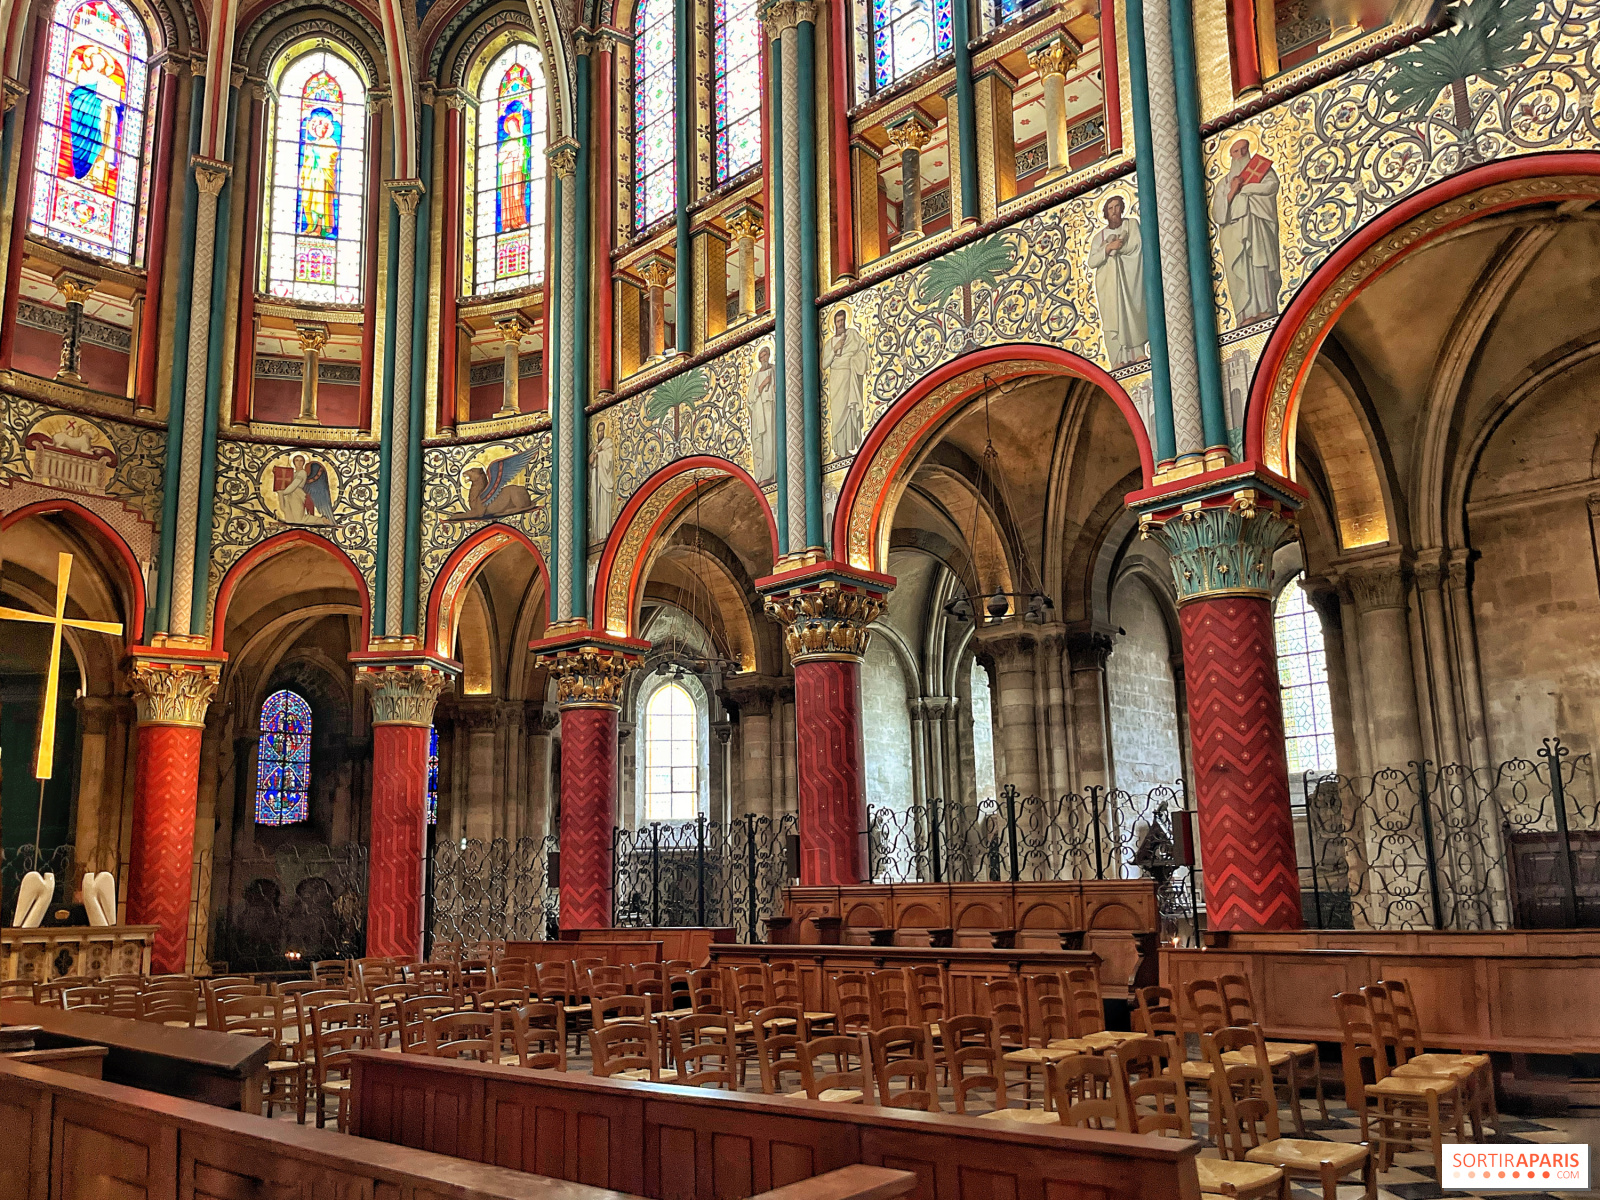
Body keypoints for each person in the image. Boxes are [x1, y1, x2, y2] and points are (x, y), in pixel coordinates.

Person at [1211, 139, 1283, 326]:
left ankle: (1266, 309)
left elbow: (1271, 186)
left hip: (1257, 226)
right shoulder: (1224, 183)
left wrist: (1246, 189)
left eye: (1244, 149)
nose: (1241, 154)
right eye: (1236, 151)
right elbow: (1218, 213)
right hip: (1233, 232)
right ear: (1231, 155)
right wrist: (1233, 190)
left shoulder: (1262, 171)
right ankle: (1245, 315)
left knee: (1260, 263)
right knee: (1241, 268)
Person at [1086, 195, 1149, 369]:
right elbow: (1092, 261)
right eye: (1110, 208)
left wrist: (1120, 247)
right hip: (1108, 285)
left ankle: (1138, 352)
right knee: (1112, 318)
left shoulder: (1131, 225)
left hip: (1130, 278)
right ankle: (1116, 358)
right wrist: (1108, 248)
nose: (1114, 211)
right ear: (1105, 213)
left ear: (1122, 208)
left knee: (1131, 313)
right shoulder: (1099, 237)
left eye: (1117, 207)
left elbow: (1137, 246)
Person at [821, 310, 869, 460]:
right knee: (837, 414)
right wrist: (835, 349)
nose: (840, 323)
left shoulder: (852, 335)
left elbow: (864, 349)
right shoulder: (830, 343)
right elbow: (824, 364)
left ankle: (847, 449)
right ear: (834, 323)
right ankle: (839, 451)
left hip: (849, 376)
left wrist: (854, 360)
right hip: (836, 379)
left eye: (842, 320)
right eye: (838, 321)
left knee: (849, 411)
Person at [746, 345, 776, 484]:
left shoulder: (775, 369)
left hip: (773, 409)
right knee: (763, 443)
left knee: (772, 441)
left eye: (766, 355)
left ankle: (772, 474)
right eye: (761, 356)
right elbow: (750, 398)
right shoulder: (756, 377)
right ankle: (764, 475)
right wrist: (763, 384)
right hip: (760, 412)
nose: (764, 358)